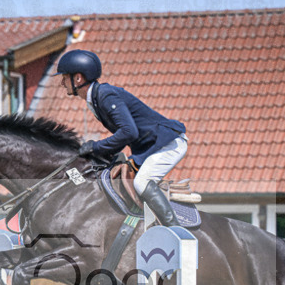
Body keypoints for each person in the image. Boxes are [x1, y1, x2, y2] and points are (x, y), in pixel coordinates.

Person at [53, 49, 186, 226]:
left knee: (141, 183)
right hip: (149, 147)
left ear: (78, 78)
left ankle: (175, 230)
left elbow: (129, 132)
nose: (62, 82)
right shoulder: (95, 98)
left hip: (167, 143)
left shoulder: (105, 95)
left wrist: (96, 146)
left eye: (64, 77)